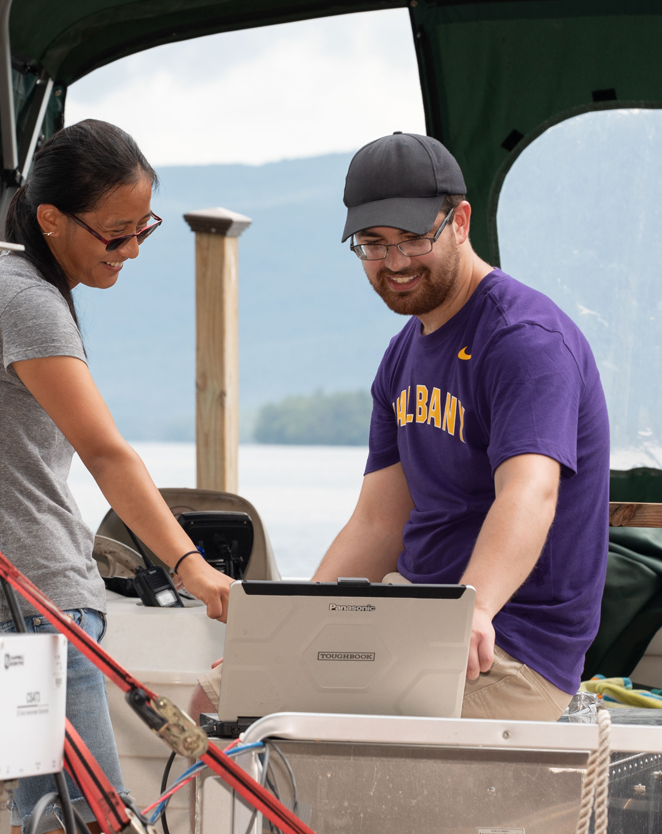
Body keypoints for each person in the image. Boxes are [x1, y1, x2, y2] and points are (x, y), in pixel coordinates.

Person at [193, 131, 609, 722]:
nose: (394, 263)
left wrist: (475, 611)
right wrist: (287, 634)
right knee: (212, 704)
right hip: (406, 618)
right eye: (372, 244)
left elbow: (530, 492)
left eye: (414, 239)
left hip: (510, 647)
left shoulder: (524, 341)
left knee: (313, 731)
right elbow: (378, 521)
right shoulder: (402, 356)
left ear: (460, 221)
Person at [0, 119, 234, 833]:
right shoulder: (27, 301)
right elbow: (106, 455)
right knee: (94, 817)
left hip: (6, 596)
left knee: (49, 817)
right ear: (50, 219)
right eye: (116, 234)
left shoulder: (2, 286)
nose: (132, 249)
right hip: (38, 600)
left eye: (145, 229)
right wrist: (192, 569)